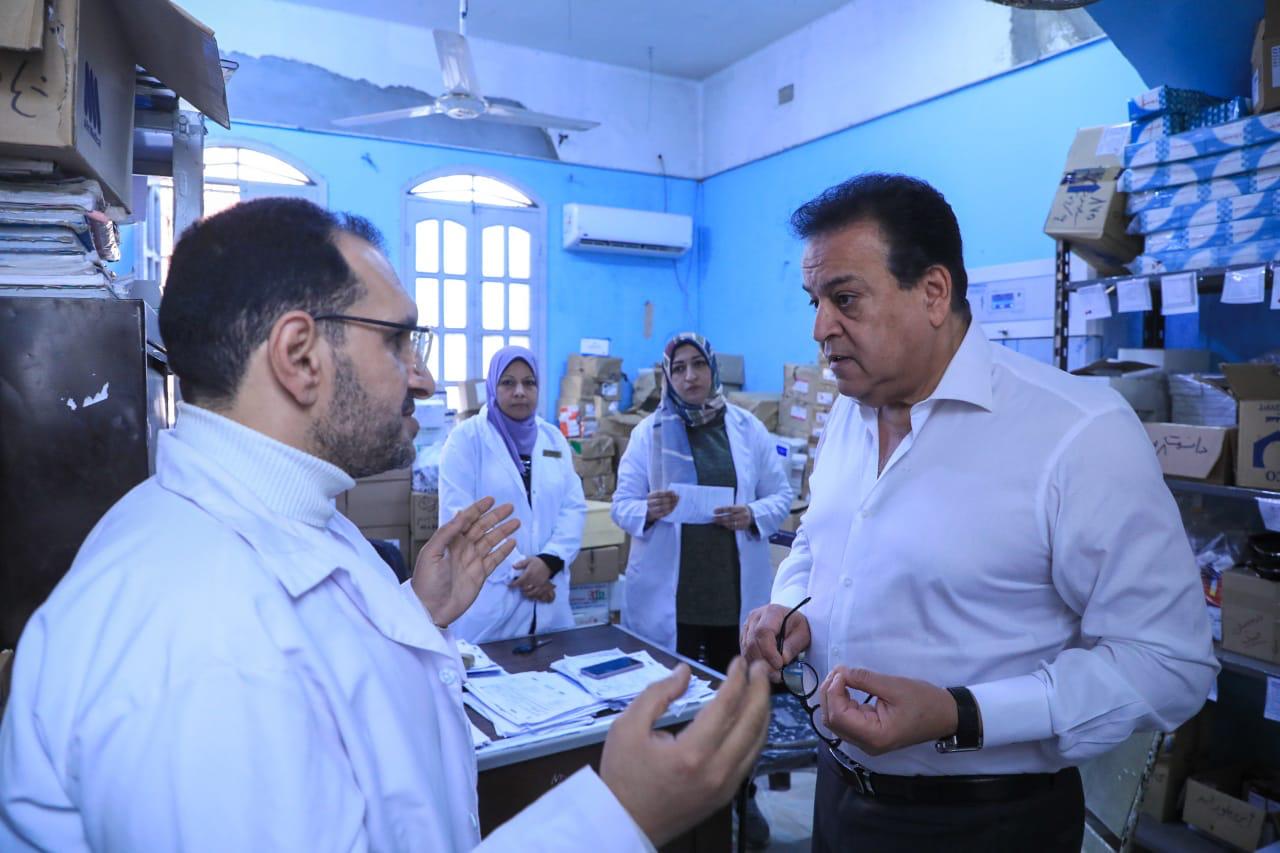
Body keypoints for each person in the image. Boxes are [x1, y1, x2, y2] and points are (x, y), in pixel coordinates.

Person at [0, 197, 773, 851]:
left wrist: (411, 612)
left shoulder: (291, 515)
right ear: (300, 355)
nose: (425, 376)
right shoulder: (204, 649)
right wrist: (617, 817)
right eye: (399, 340)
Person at [741, 173, 1218, 852]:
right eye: (814, 301)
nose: (820, 328)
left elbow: (1169, 664)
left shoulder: (1076, 434)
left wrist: (961, 713)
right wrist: (790, 609)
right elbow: (818, 544)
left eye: (844, 299)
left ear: (934, 292)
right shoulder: (850, 414)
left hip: (987, 822)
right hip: (841, 796)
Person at [613, 333, 793, 671]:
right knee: (669, 689)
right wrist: (647, 510)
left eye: (698, 364)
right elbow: (621, 505)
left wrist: (751, 513)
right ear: (668, 376)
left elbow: (781, 494)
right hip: (669, 595)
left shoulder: (747, 428)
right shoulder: (648, 433)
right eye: (679, 368)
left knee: (732, 687)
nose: (690, 376)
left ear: (712, 368)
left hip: (731, 594)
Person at [439, 346, 586, 643]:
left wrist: (549, 561)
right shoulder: (466, 440)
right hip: (490, 601)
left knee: (554, 666)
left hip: (550, 603)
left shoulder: (553, 439)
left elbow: (573, 508)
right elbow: (460, 518)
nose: (520, 391)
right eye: (508, 382)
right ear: (493, 387)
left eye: (529, 383)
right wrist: (525, 574)